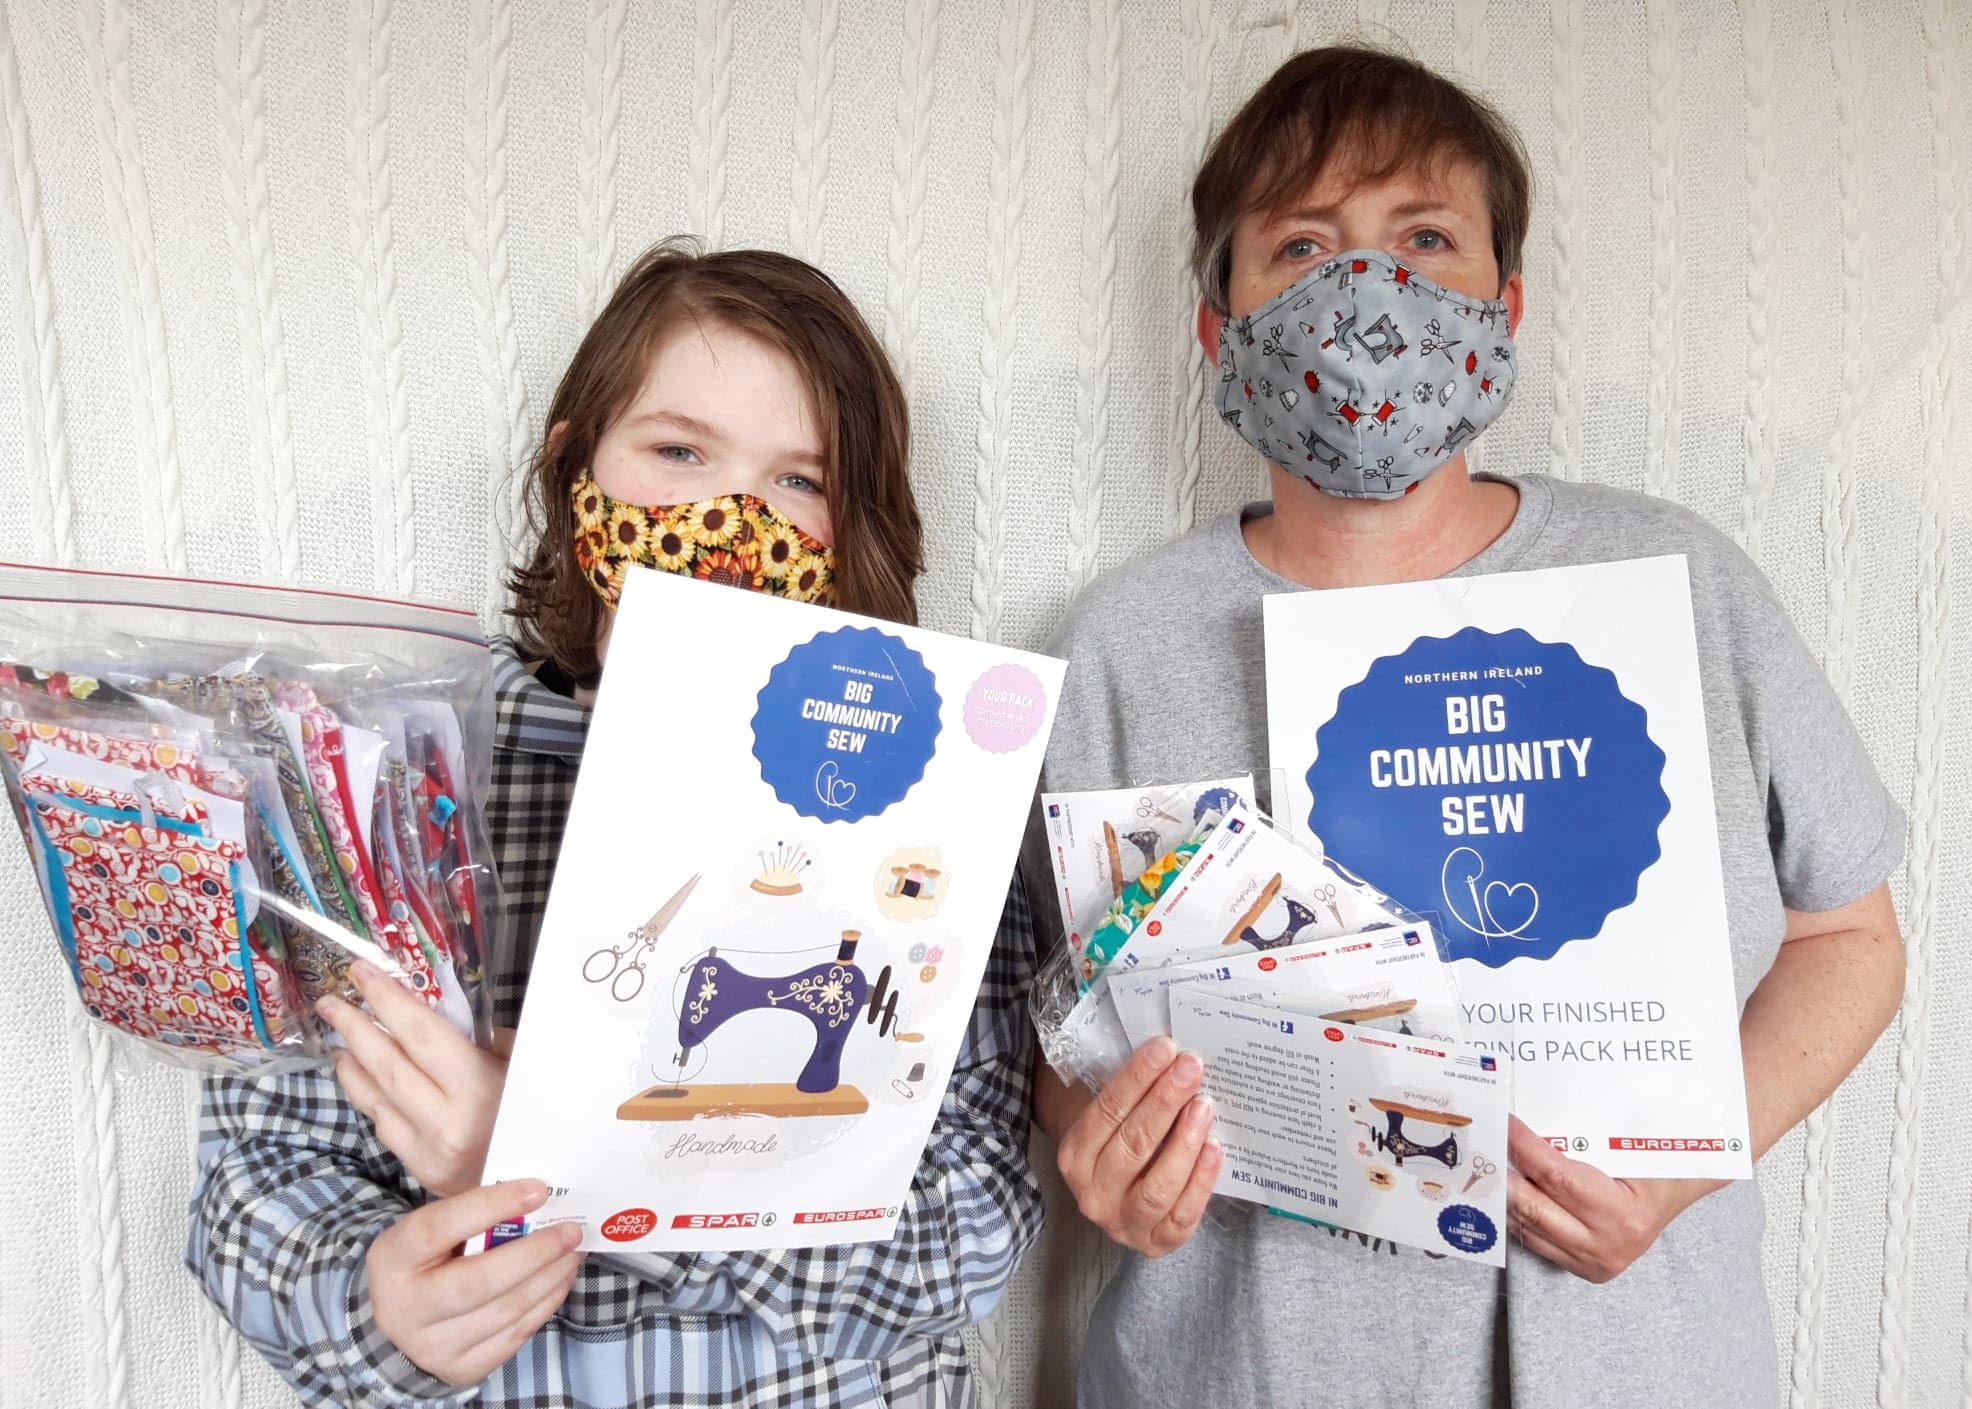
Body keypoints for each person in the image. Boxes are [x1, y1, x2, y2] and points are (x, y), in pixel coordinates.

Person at [1034, 46, 1905, 1409]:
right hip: (1247, 1374)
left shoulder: (1678, 582)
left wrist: (1679, 1173)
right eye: (1300, 247)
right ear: (1219, 330)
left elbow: (1849, 938)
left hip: (1639, 1364)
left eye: (1423, 239)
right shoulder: (1120, 644)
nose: (1362, 294)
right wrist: (1109, 1164)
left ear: (1505, 308)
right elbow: (1068, 1043)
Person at [188, 239, 1045, 1408]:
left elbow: (971, 1224)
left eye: (799, 481)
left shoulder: (934, 806)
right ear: (576, 468)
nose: (730, 518)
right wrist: (374, 1305)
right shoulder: (391, 773)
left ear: (856, 528)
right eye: (678, 451)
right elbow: (257, 1177)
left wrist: (555, 1174)